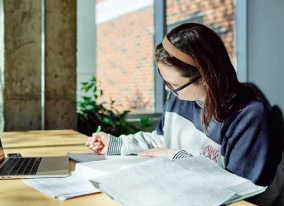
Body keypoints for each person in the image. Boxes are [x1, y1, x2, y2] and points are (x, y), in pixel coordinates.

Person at [86, 23, 282, 186]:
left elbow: (242, 190)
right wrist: (116, 144)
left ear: (205, 78)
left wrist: (178, 159)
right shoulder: (179, 97)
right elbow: (162, 141)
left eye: (175, 84)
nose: (168, 90)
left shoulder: (249, 117)